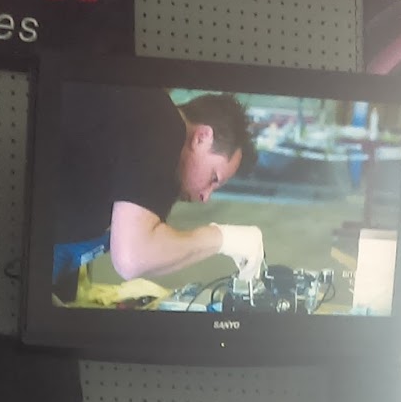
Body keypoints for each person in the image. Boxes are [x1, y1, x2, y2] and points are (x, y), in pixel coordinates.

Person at [52, 83, 263, 302]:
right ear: (202, 137)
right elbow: (132, 258)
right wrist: (224, 239)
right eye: (214, 179)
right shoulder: (163, 122)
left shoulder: (136, 141)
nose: (205, 197)